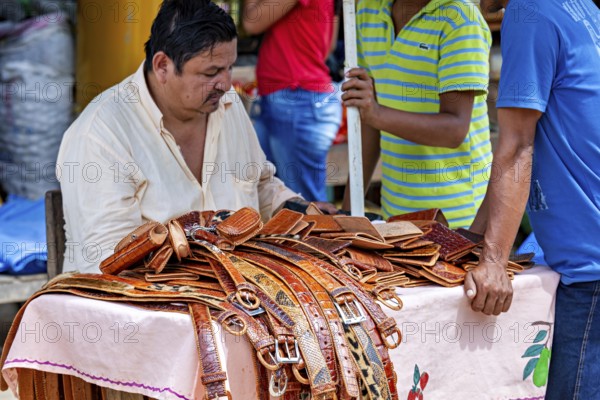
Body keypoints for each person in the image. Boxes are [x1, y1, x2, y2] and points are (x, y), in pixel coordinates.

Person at [56, 0, 301, 273]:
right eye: (211, 72)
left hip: (233, 298)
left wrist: (303, 212)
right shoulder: (100, 134)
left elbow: (261, 187)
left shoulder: (226, 103)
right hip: (137, 306)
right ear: (162, 66)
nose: (226, 83)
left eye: (229, 67)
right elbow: (111, 267)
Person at [466, 0, 600, 399]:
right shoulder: (580, 8)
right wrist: (473, 240)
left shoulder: (528, 13)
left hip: (588, 268)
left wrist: (492, 261)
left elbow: (517, 147)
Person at [341, 0, 493, 228]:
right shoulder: (367, 10)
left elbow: (454, 130)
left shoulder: (461, 20)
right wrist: (348, 213)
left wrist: (377, 114)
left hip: (459, 221)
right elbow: (368, 117)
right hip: (395, 215)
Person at [242, 0, 342, 202]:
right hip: (299, 99)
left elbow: (251, 22)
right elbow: (328, 45)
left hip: (297, 99)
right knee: (274, 199)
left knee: (304, 209)